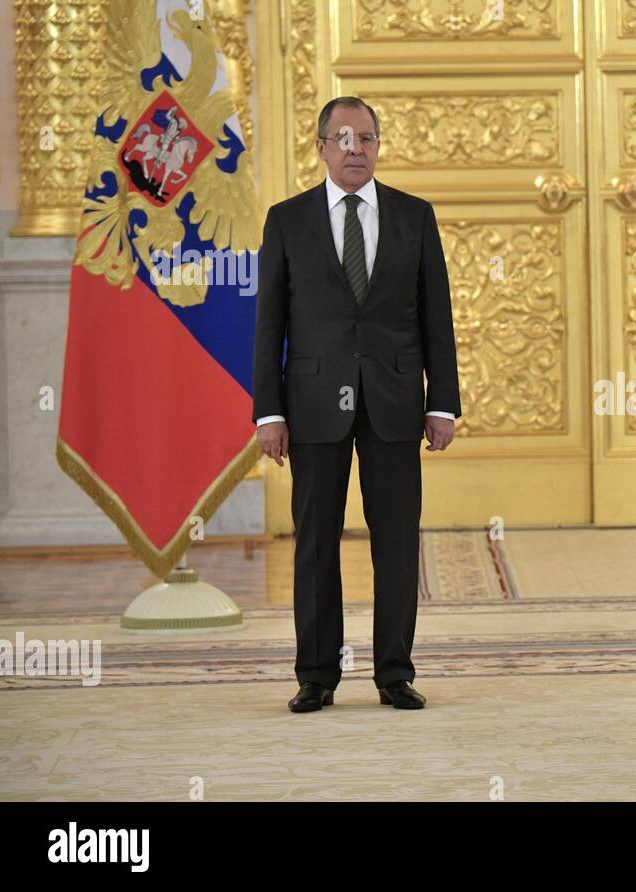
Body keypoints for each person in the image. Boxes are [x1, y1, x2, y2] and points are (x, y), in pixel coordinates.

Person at [252, 96, 461, 712]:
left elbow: (437, 318)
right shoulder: (287, 220)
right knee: (316, 540)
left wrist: (442, 401)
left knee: (396, 539)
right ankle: (315, 675)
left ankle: (394, 672)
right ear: (319, 148)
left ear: (378, 145)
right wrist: (269, 411)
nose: (354, 148)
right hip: (312, 402)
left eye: (365, 137)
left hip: (395, 402)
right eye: (341, 138)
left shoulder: (414, 216)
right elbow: (270, 324)